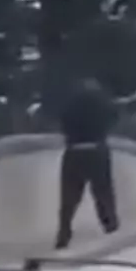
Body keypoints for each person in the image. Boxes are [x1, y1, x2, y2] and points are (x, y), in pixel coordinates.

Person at [55, 78, 120, 249]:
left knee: (69, 197)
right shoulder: (102, 102)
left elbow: (62, 121)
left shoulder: (70, 104)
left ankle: (64, 233)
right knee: (103, 193)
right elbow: (114, 117)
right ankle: (111, 227)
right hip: (97, 150)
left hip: (74, 150)